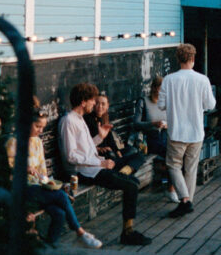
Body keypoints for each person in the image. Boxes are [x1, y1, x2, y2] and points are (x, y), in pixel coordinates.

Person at [59, 82, 152, 246]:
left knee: (134, 182)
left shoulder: (79, 119)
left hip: (94, 167)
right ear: (83, 101)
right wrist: (101, 164)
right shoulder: (68, 121)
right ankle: (127, 233)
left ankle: (128, 229)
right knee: (131, 186)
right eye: (92, 100)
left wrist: (100, 138)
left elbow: (86, 150)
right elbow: (71, 156)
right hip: (84, 172)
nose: (94, 104)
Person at [27, 107, 102, 248]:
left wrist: (49, 183)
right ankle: (80, 233)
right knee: (61, 196)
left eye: (43, 127)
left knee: (59, 213)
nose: (41, 131)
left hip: (38, 190)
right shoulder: (16, 142)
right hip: (24, 189)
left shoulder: (37, 142)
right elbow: (7, 169)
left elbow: (42, 173)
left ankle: (49, 248)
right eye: (37, 126)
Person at [158, 43, 216, 218]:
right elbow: (211, 105)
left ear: (178, 59)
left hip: (176, 132)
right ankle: (187, 201)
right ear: (193, 58)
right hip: (196, 131)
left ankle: (185, 200)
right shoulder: (202, 79)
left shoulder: (169, 80)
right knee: (191, 168)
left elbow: (161, 105)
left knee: (173, 165)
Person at [134, 76, 179, 203]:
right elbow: (136, 124)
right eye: (159, 89)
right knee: (172, 154)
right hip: (150, 138)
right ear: (153, 88)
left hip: (165, 134)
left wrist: (167, 125)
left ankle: (171, 183)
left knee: (178, 151)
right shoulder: (143, 101)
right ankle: (171, 189)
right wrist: (152, 124)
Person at [84, 91, 145, 174]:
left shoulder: (104, 118)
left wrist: (117, 151)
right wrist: (98, 148)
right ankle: (123, 169)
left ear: (107, 106)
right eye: (97, 103)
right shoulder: (87, 119)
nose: (100, 107)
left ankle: (123, 172)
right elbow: (85, 143)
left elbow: (110, 139)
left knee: (134, 150)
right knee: (112, 154)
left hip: (111, 152)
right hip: (100, 155)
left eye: (103, 104)